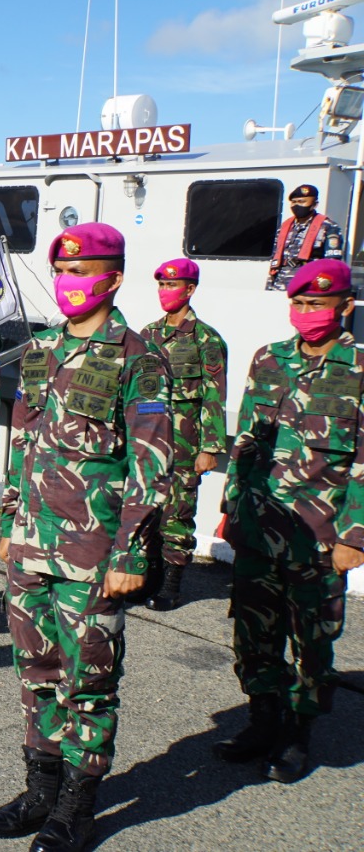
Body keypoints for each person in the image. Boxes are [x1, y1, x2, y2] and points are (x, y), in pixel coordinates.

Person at [0, 223, 171, 851]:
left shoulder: (138, 358)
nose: (69, 283)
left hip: (94, 555)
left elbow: (151, 461)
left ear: (113, 279)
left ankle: (77, 806)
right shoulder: (39, 350)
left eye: (83, 272)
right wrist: (11, 521)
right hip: (32, 545)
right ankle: (39, 790)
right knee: (35, 670)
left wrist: (132, 551)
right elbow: (24, 446)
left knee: (87, 678)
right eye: (61, 272)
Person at [215, 258, 364, 784]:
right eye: (298, 303)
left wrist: (355, 537)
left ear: (344, 306)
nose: (306, 313)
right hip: (259, 526)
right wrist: (231, 507)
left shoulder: (359, 367)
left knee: (312, 640)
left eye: (317, 304)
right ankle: (262, 718)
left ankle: (298, 733)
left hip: (320, 537)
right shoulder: (269, 359)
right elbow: (249, 443)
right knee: (253, 632)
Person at [139, 259, 227, 611]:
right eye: (161, 285)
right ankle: (149, 575)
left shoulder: (206, 339)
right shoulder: (148, 334)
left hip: (186, 444)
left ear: (189, 289)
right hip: (148, 441)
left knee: (177, 512)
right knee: (147, 508)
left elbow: (214, 395)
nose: (165, 292)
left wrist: (210, 447)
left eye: (172, 286)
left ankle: (171, 584)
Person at [266, 184, 343, 291]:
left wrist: (318, 289)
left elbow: (332, 264)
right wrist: (270, 285)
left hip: (308, 283)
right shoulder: (285, 226)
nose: (297, 205)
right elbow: (275, 257)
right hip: (279, 283)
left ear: (314, 204)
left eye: (302, 202)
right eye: (294, 202)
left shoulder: (328, 227)